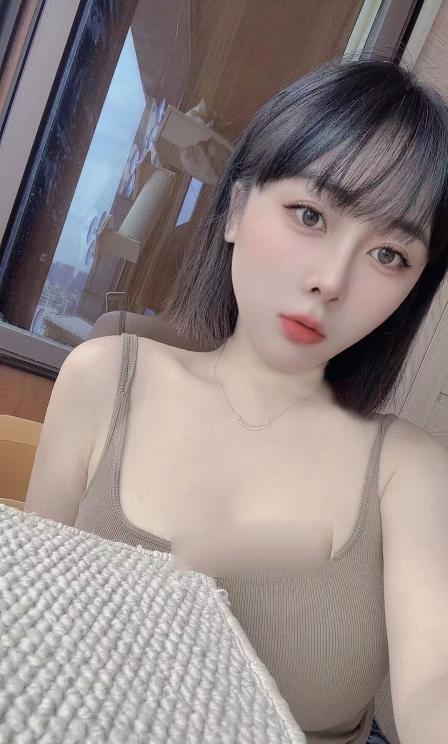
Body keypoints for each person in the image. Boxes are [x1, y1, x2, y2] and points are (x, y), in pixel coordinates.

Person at [24, 53, 448, 744]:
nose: (332, 280)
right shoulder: (103, 378)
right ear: (235, 209)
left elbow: (436, 685)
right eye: (310, 214)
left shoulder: (410, 471)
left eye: (389, 255)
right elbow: (28, 622)